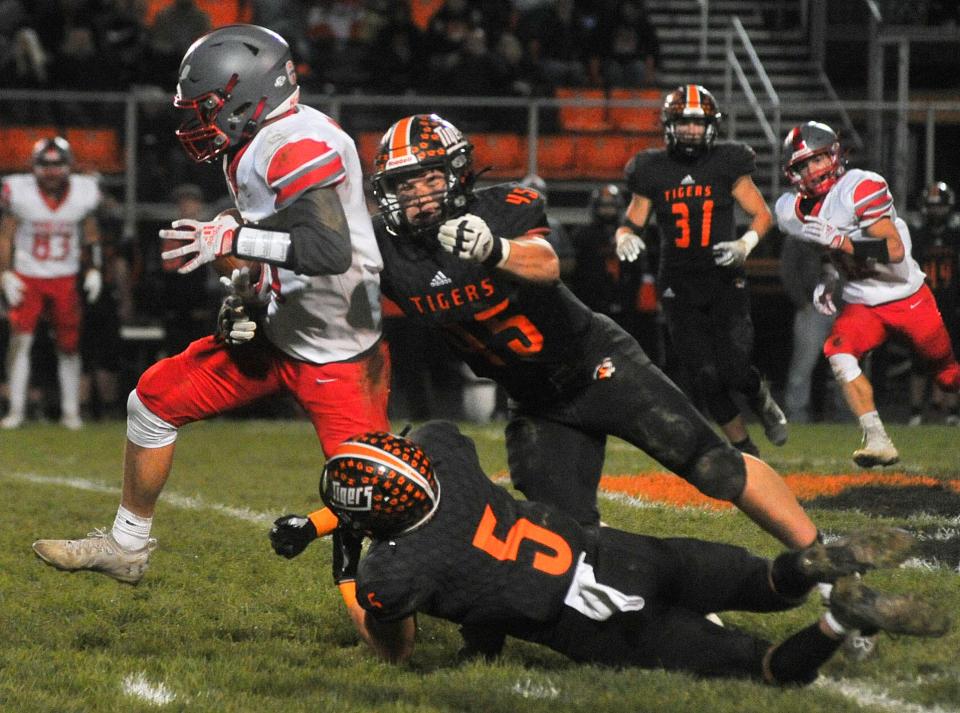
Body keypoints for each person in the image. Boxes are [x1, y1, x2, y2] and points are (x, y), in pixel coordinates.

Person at [277, 112, 817, 550]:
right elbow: (321, 275)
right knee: (562, 537)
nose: (418, 194)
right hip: (534, 401)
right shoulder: (384, 247)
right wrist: (257, 295)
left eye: (429, 178)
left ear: (457, 174)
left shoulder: (504, 208)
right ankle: (652, 596)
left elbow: (547, 262)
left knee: (714, 469)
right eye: (403, 183)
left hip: (598, 365)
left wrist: (496, 251)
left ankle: (820, 555)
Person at [32, 24, 389, 584]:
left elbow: (326, 252)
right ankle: (126, 546)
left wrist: (232, 239)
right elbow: (280, 241)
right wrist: (245, 292)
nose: (196, 122)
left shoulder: (298, 143)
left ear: (249, 94)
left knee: (379, 495)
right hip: (282, 329)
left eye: (207, 108)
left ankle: (435, 582)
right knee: (152, 401)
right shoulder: (257, 140)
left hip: (338, 352)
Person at [297, 421, 949, 678]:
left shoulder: (398, 565)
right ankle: (811, 563)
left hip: (601, 618)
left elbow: (396, 645)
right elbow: (423, 433)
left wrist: (346, 562)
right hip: (621, 552)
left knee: (773, 668)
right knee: (765, 584)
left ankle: (844, 616)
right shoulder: (445, 455)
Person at [775, 121, 960, 466]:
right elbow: (824, 250)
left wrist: (843, 242)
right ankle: (877, 438)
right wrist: (829, 275)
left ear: (834, 155)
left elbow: (893, 251)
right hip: (863, 301)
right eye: (801, 165)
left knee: (947, 374)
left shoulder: (860, 187)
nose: (811, 171)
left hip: (906, 296)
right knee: (839, 352)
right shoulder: (790, 211)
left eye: (815, 160)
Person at [616, 84, 787, 457]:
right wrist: (623, 235)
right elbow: (633, 220)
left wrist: (745, 245)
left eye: (698, 123)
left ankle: (759, 395)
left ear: (711, 126)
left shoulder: (728, 162)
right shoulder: (652, 168)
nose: (691, 131)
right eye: (684, 123)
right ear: (669, 126)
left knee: (735, 367)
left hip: (725, 277)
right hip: (677, 282)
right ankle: (744, 449)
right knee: (705, 375)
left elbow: (762, 215)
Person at [0, 136, 102, 430]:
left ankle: (71, 412)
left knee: (69, 346)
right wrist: (4, 273)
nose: (51, 171)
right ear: (34, 167)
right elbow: (6, 235)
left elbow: (90, 232)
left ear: (68, 166)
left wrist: (93, 269)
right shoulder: (20, 193)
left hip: (65, 274)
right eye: (45, 164)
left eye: (57, 164)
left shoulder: (83, 193)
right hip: (28, 273)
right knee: (20, 341)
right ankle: (16, 411)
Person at [571, 183, 662, 365]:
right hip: (594, 301)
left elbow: (642, 270)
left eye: (611, 206)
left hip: (628, 302)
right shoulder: (583, 235)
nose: (607, 211)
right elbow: (580, 272)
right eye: (604, 206)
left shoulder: (633, 235)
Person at [907, 181, 960, 426]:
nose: (935, 211)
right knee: (919, 361)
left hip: (950, 305)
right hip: (924, 306)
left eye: (939, 207)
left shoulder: (955, 236)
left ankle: (951, 411)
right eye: (931, 207)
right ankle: (916, 411)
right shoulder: (917, 236)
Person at [779, 232, 839, 423]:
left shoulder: (848, 224)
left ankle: (849, 414)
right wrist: (802, 302)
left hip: (844, 306)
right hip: (812, 308)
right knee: (803, 365)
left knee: (848, 365)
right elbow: (788, 270)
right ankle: (797, 415)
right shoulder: (798, 231)